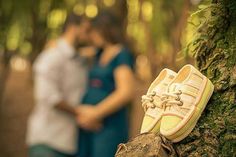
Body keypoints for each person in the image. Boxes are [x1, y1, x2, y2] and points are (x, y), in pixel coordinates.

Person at [26, 14, 98, 157]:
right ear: (73, 28)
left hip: (70, 144)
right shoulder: (51, 57)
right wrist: (81, 112)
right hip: (47, 141)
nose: (89, 36)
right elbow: (49, 97)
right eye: (86, 30)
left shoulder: (80, 61)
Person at [77, 12, 135, 157]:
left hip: (109, 126)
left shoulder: (121, 54)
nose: (91, 36)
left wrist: (94, 113)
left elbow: (125, 92)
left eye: (94, 31)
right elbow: (75, 50)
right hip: (88, 125)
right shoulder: (98, 53)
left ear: (105, 29)